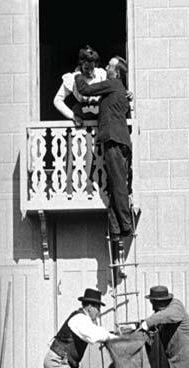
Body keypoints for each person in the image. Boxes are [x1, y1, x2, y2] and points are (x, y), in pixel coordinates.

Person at [74, 56, 133, 241]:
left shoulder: (113, 83)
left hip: (114, 141)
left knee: (117, 185)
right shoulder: (119, 89)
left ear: (116, 73)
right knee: (114, 185)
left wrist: (76, 74)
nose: (106, 67)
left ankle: (125, 225)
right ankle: (116, 230)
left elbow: (85, 89)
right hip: (118, 141)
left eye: (109, 65)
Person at [53, 45, 106, 126]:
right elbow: (57, 100)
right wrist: (72, 115)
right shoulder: (72, 78)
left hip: (100, 119)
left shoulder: (101, 74)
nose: (90, 72)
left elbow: (112, 88)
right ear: (81, 64)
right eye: (86, 68)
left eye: (92, 68)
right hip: (81, 119)